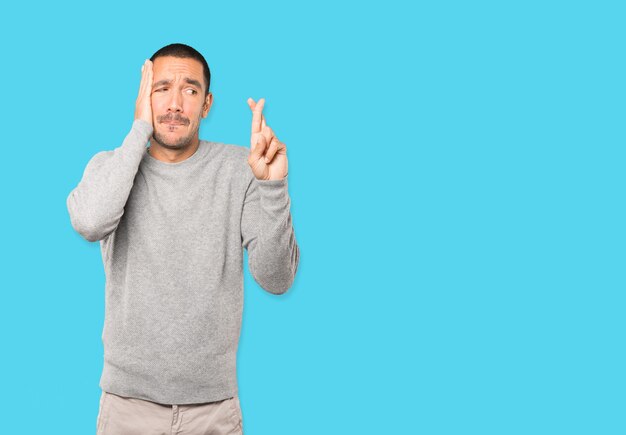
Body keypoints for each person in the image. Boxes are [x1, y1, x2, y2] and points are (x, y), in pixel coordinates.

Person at [66, 43, 300, 435]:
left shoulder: (240, 169)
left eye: (189, 91)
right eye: (161, 89)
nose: (175, 103)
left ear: (206, 104)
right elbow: (90, 222)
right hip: (128, 407)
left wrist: (272, 186)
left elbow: (276, 280)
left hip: (214, 410)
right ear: (143, 97)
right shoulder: (111, 166)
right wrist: (139, 129)